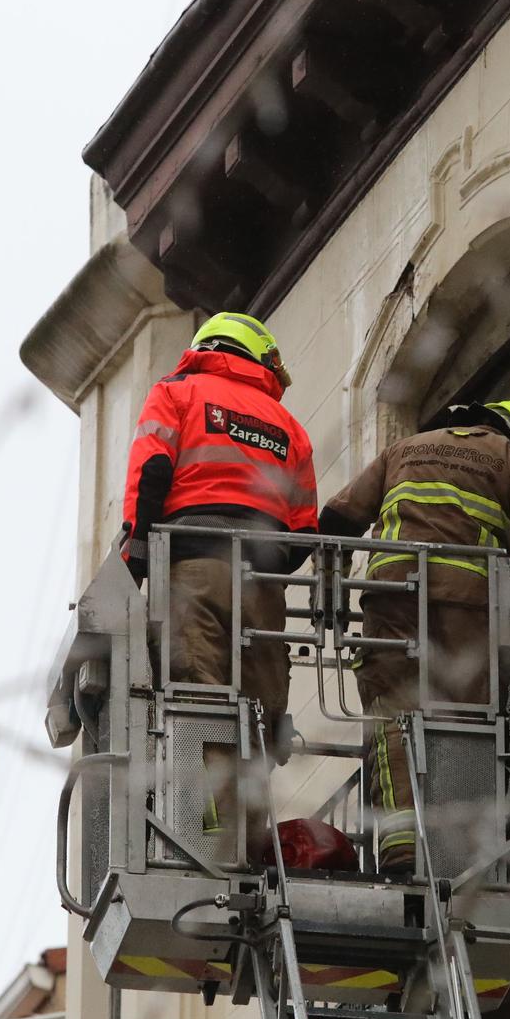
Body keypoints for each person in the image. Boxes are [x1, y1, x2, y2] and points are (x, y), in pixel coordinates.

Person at [318, 398, 510, 874]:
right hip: (464, 604)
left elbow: (336, 519)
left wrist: (330, 589)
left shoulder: (403, 449)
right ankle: (456, 849)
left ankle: (401, 842)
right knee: (466, 717)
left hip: (389, 598)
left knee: (393, 712)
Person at [121, 312, 318, 867]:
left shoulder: (176, 393)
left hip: (194, 571)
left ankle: (203, 843)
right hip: (264, 587)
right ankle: (251, 849)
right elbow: (305, 528)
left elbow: (152, 472)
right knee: (257, 721)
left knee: (197, 704)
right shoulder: (288, 425)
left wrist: (135, 557)